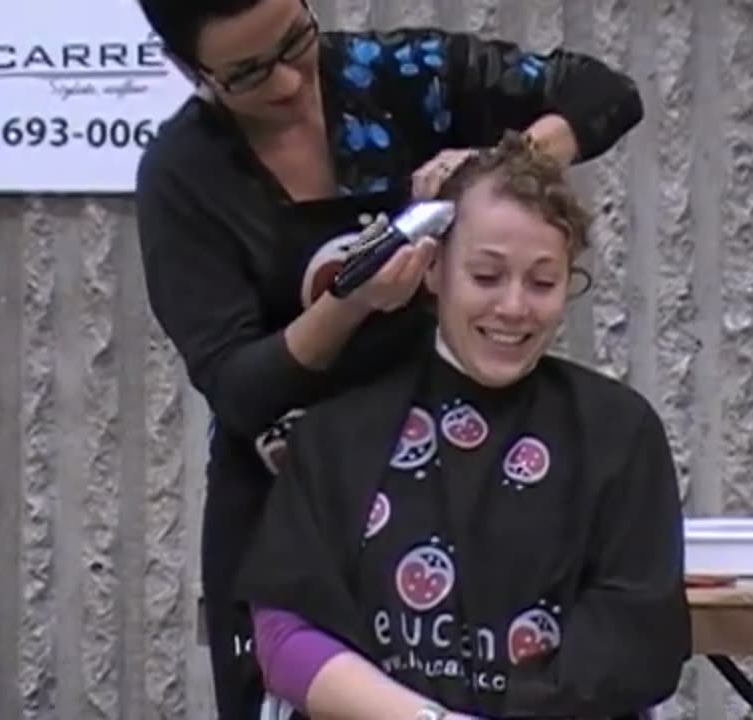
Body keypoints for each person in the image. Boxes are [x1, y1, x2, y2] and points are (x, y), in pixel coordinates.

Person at [132, 0, 646, 715]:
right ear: (193, 73)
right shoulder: (184, 175)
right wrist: (349, 302)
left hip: (457, 467)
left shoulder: (393, 75)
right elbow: (238, 385)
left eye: (294, 42)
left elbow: (604, 94)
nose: (287, 83)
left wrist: (498, 171)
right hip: (293, 491)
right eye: (249, 73)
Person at [234, 132, 692, 720]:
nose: (513, 306)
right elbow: (284, 636)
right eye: (486, 276)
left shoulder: (618, 433)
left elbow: (636, 637)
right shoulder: (340, 432)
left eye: (543, 281)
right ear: (432, 271)